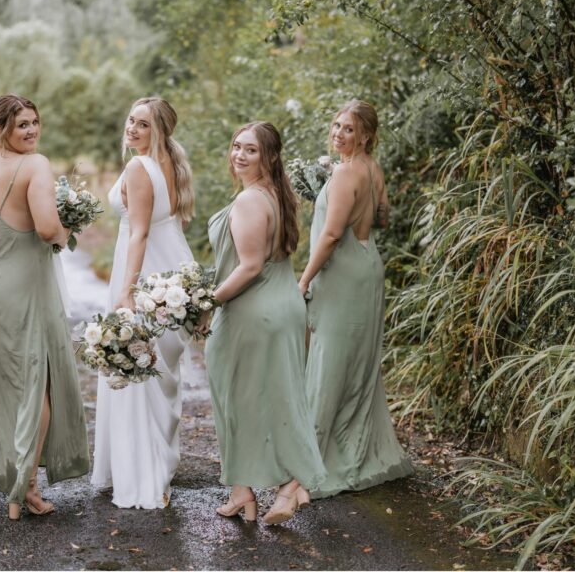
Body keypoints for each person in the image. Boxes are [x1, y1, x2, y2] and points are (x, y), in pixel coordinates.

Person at [0, 95, 90, 520]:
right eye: (21, 125)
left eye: (34, 122)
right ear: (0, 128)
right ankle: (25, 486)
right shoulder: (34, 166)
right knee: (36, 382)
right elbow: (47, 229)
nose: (31, 131)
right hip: (21, 289)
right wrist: (68, 230)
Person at [203, 121, 325, 524]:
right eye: (236, 146)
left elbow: (251, 266)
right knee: (271, 400)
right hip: (282, 306)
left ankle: (290, 483)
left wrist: (207, 300)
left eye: (250, 150)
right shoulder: (276, 194)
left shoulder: (250, 202)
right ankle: (244, 492)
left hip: (255, 313)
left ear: (269, 157)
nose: (239, 155)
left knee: (241, 401)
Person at [298, 99, 414, 499]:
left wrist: (303, 280)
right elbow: (383, 218)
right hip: (368, 264)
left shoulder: (348, 173)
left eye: (348, 129)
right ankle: (358, 449)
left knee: (331, 361)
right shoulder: (371, 168)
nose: (338, 133)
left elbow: (330, 236)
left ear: (365, 135)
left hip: (343, 274)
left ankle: (313, 460)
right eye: (335, 125)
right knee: (357, 362)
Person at [91, 97, 196, 509]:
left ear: (161, 131)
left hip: (141, 273)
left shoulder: (139, 167)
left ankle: (144, 476)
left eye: (143, 125)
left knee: (138, 374)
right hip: (165, 272)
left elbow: (139, 233)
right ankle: (153, 468)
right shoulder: (170, 161)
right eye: (131, 121)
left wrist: (126, 290)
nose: (132, 129)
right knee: (154, 373)